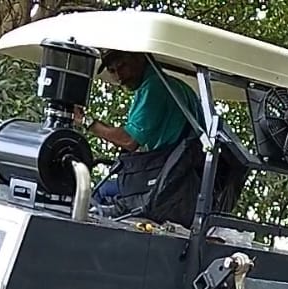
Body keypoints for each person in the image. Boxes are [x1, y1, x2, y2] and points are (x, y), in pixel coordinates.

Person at [78, 50, 201, 205]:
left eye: (122, 66)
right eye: (112, 71)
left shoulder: (154, 87)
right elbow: (129, 136)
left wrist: (87, 123)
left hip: (170, 180)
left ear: (140, 58)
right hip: (181, 177)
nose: (119, 77)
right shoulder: (174, 85)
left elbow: (129, 141)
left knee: (99, 194)